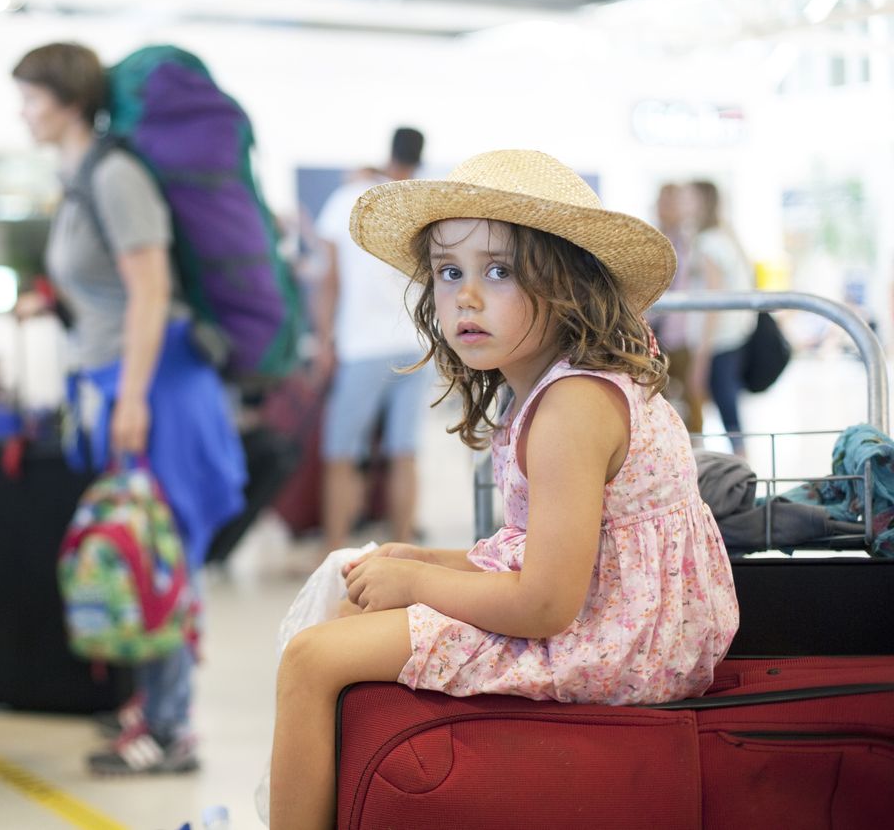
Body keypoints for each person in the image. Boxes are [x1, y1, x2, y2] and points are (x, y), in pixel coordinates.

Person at [269, 150, 739, 828]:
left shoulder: (572, 409)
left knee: (311, 658)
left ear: (570, 284)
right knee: (349, 611)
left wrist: (414, 583)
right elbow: (544, 549)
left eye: (499, 270)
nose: (465, 295)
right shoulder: (555, 389)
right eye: (449, 271)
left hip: (622, 641)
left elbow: (546, 602)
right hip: (606, 613)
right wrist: (424, 559)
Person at [12, 42, 245, 775]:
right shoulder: (81, 175)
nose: (22, 111)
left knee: (159, 552)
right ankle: (154, 704)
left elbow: (150, 288)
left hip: (157, 386)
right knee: (143, 544)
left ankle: (172, 729)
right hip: (126, 382)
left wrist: (135, 394)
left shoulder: (113, 174)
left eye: (31, 96)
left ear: (71, 101)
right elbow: (110, 287)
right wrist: (52, 304)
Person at [313, 128, 432, 555]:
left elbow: (329, 279)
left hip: (362, 346)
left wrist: (324, 339)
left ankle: (335, 549)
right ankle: (403, 549)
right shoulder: (418, 202)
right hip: (417, 345)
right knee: (404, 451)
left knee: (342, 452)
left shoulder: (348, 199)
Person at [684, 180, 755, 455]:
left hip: (717, 341)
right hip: (731, 337)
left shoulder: (707, 242)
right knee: (729, 409)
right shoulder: (725, 237)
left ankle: (740, 473)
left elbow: (712, 301)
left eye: (689, 198)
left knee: (724, 408)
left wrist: (701, 355)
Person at [651, 182, 704, 433]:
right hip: (656, 332)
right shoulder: (651, 240)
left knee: (694, 397)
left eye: (673, 201)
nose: (667, 208)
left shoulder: (695, 242)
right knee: (657, 397)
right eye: (664, 201)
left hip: (686, 335)